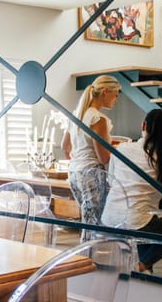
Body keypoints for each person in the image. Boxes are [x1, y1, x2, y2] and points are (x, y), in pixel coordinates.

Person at [101, 109, 162, 274]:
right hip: (136, 220)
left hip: (110, 217)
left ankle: (140, 269)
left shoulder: (122, 149)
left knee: (150, 227)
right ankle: (141, 267)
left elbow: (111, 181)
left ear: (143, 125)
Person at [60, 75, 121, 241]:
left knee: (88, 221)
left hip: (74, 173)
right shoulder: (98, 119)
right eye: (116, 94)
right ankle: (86, 259)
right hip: (91, 173)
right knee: (93, 224)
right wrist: (116, 149)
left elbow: (65, 146)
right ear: (106, 91)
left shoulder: (77, 114)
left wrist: (79, 157)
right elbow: (103, 158)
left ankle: (85, 258)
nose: (116, 99)